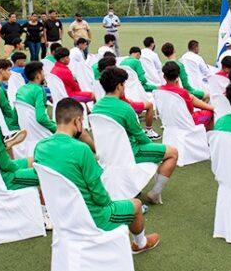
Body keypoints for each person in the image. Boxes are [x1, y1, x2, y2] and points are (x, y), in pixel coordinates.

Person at [34, 97, 160, 253]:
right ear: (77, 121)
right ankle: (140, 244)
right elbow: (100, 197)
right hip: (92, 218)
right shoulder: (81, 150)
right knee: (136, 205)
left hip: (62, 217)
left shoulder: (40, 148)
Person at [93, 67, 177, 203]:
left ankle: (135, 187)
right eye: (124, 84)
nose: (124, 87)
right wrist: (156, 150)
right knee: (172, 153)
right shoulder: (125, 108)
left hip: (108, 154)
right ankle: (155, 193)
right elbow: (140, 137)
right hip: (129, 152)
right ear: (119, 86)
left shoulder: (97, 107)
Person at [97, 57, 159, 139]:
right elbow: (140, 137)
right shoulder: (125, 107)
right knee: (149, 105)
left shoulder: (97, 104)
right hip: (124, 108)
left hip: (110, 111)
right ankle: (149, 131)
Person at [160, 61, 214, 130]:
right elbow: (190, 111)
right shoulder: (182, 93)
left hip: (169, 122)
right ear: (178, 76)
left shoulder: (158, 90)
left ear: (164, 76)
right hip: (186, 123)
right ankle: (206, 138)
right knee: (211, 113)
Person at [16, 62, 57, 134]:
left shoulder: (20, 89)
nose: (44, 74)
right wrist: (55, 128)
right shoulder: (39, 90)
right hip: (37, 130)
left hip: (24, 130)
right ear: (38, 76)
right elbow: (41, 118)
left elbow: (15, 113)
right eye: (43, 72)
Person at [0, 58, 21, 131]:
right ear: (1, 71)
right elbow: (8, 112)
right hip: (5, 125)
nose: (10, 73)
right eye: (8, 70)